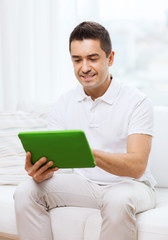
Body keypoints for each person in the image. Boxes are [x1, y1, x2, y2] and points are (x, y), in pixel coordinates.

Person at [14, 21, 156, 240]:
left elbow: (136, 168)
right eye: (77, 59)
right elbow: (55, 160)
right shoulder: (65, 102)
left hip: (132, 186)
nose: (84, 68)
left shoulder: (137, 102)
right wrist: (41, 169)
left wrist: (88, 154)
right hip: (84, 185)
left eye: (92, 58)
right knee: (25, 192)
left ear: (110, 58)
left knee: (117, 200)